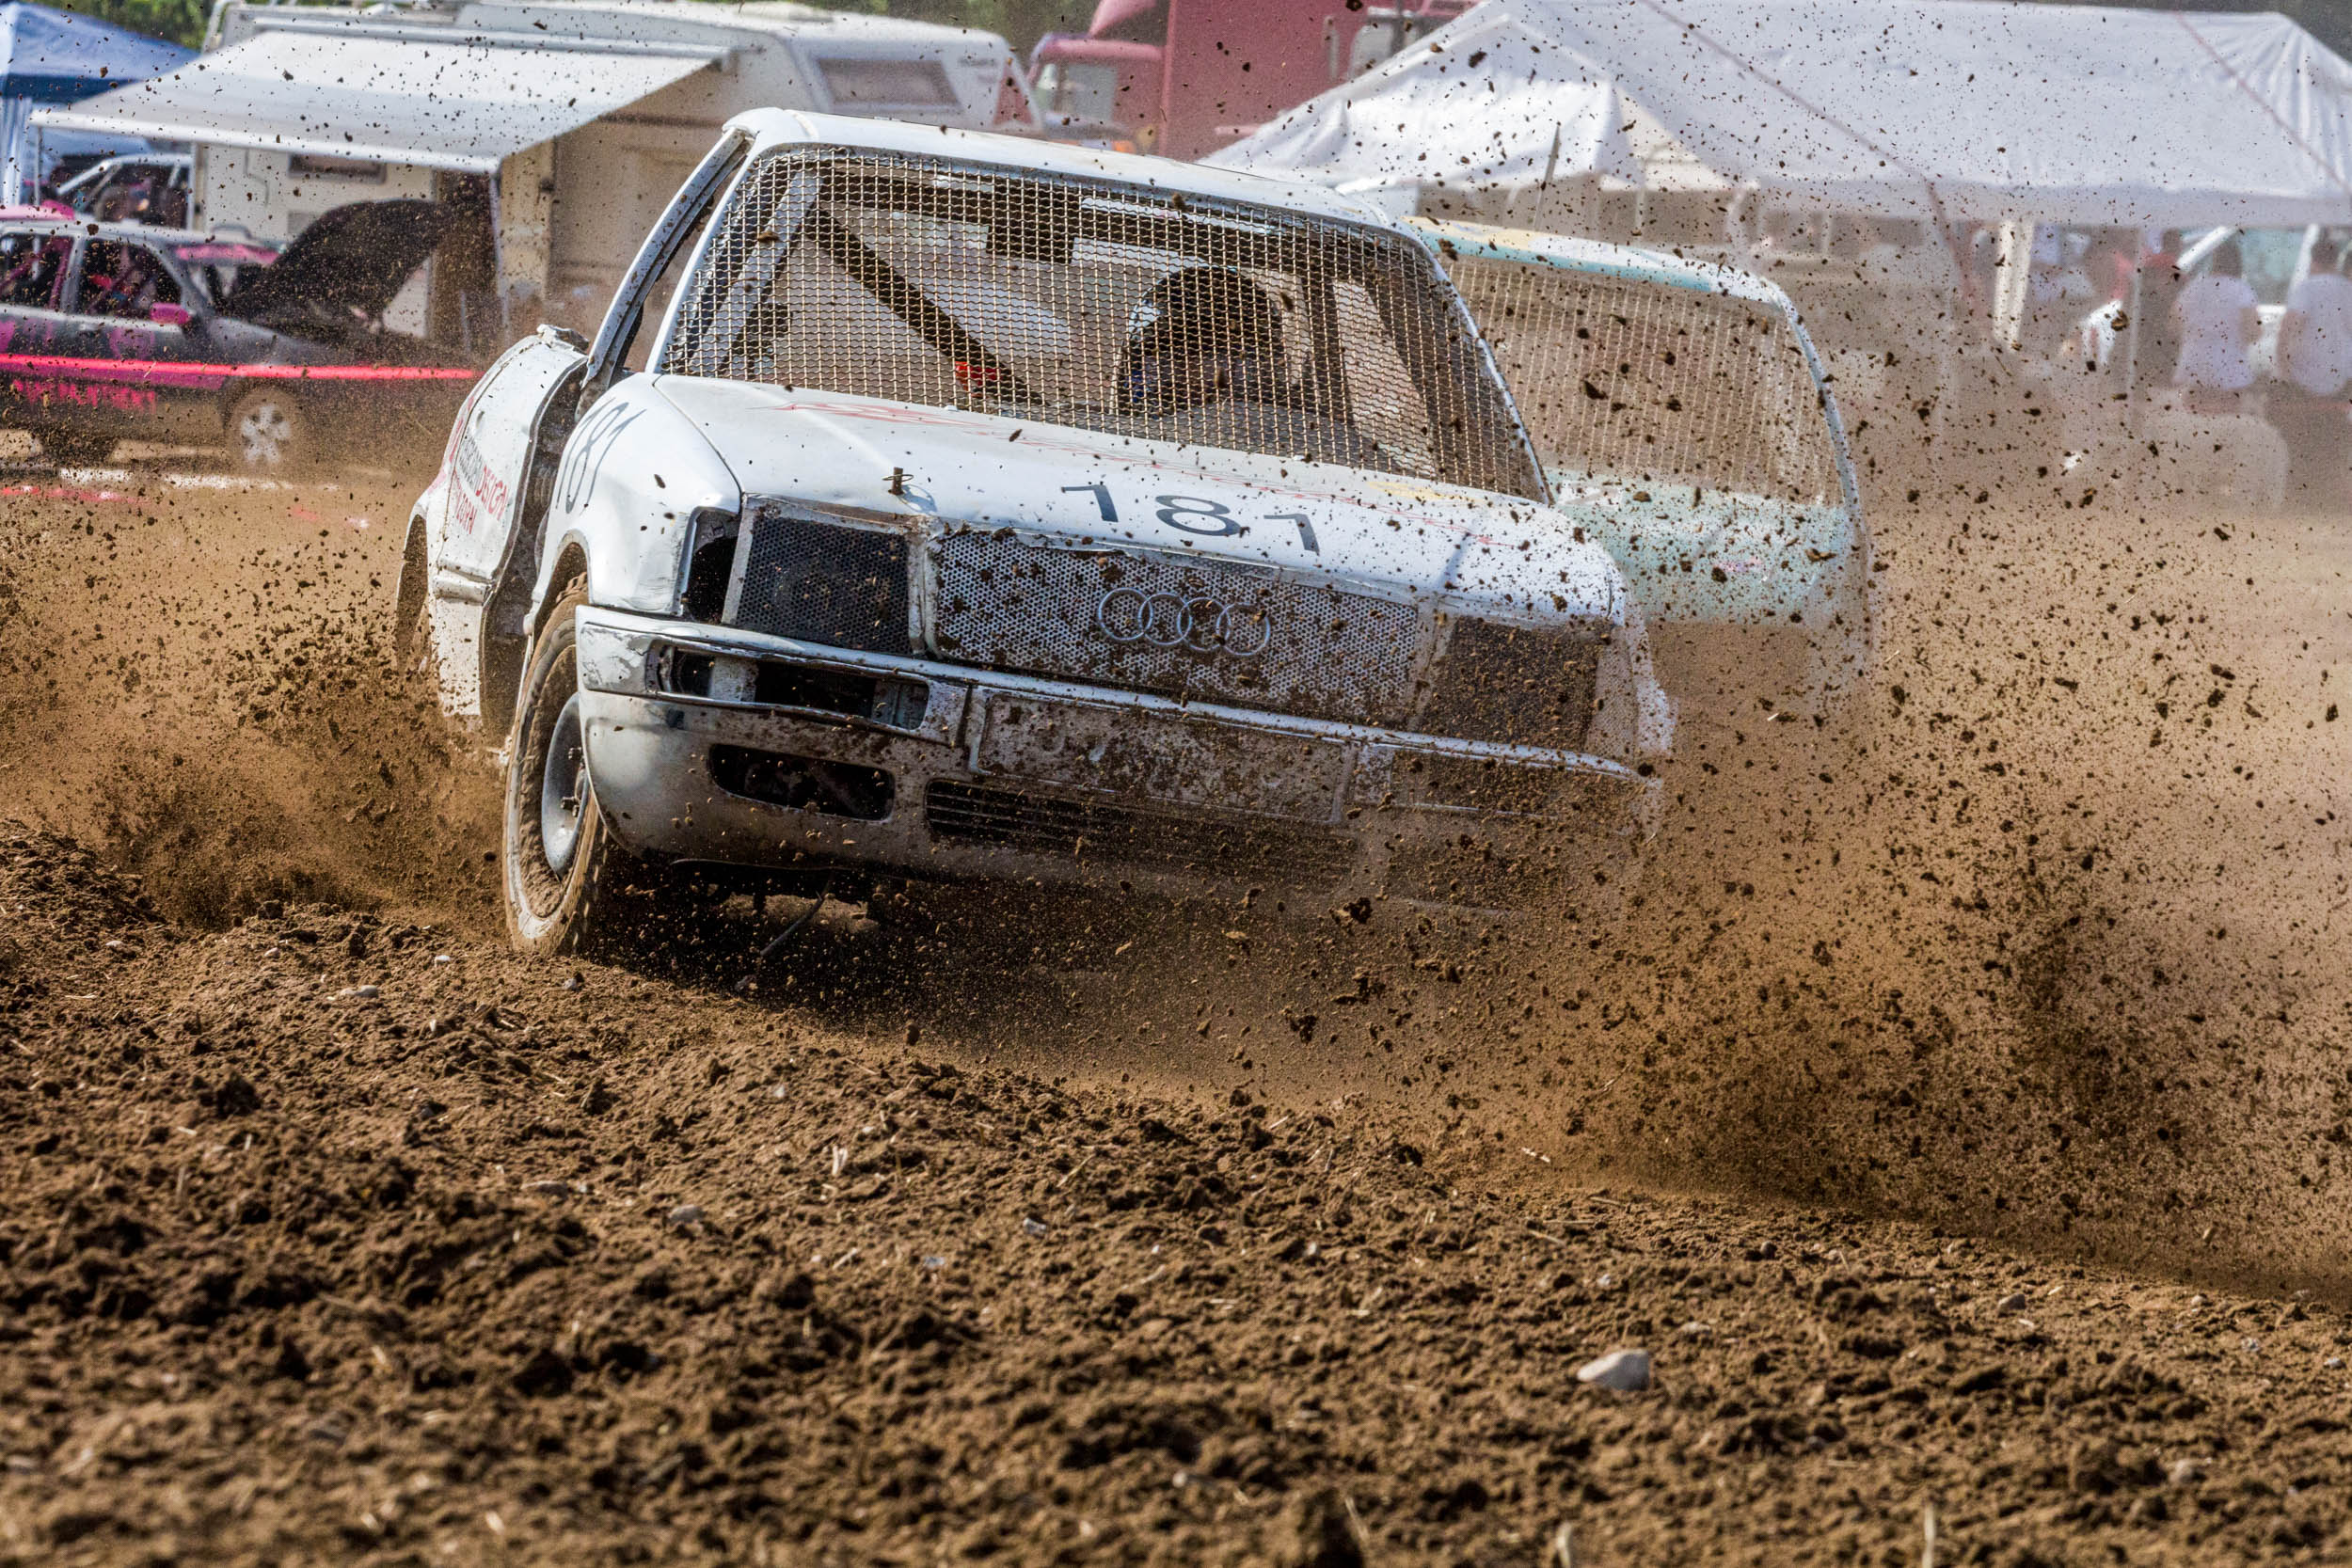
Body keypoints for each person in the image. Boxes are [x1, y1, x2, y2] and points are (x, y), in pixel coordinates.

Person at [2273, 232, 2352, 505]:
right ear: (2336, 259)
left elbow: (2290, 325)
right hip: (2342, 375)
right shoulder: (2348, 288)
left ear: (2313, 260)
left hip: (2306, 375)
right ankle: (2332, 495)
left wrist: (2283, 362)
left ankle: (2303, 493)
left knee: (2304, 437)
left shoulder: (2307, 287)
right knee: (2336, 439)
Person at [2171, 238, 2260, 407]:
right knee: (2226, 417)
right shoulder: (2241, 289)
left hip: (2193, 365)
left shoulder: (2193, 288)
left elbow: (2173, 322)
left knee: (2195, 415)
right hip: (2229, 369)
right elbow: (2254, 331)